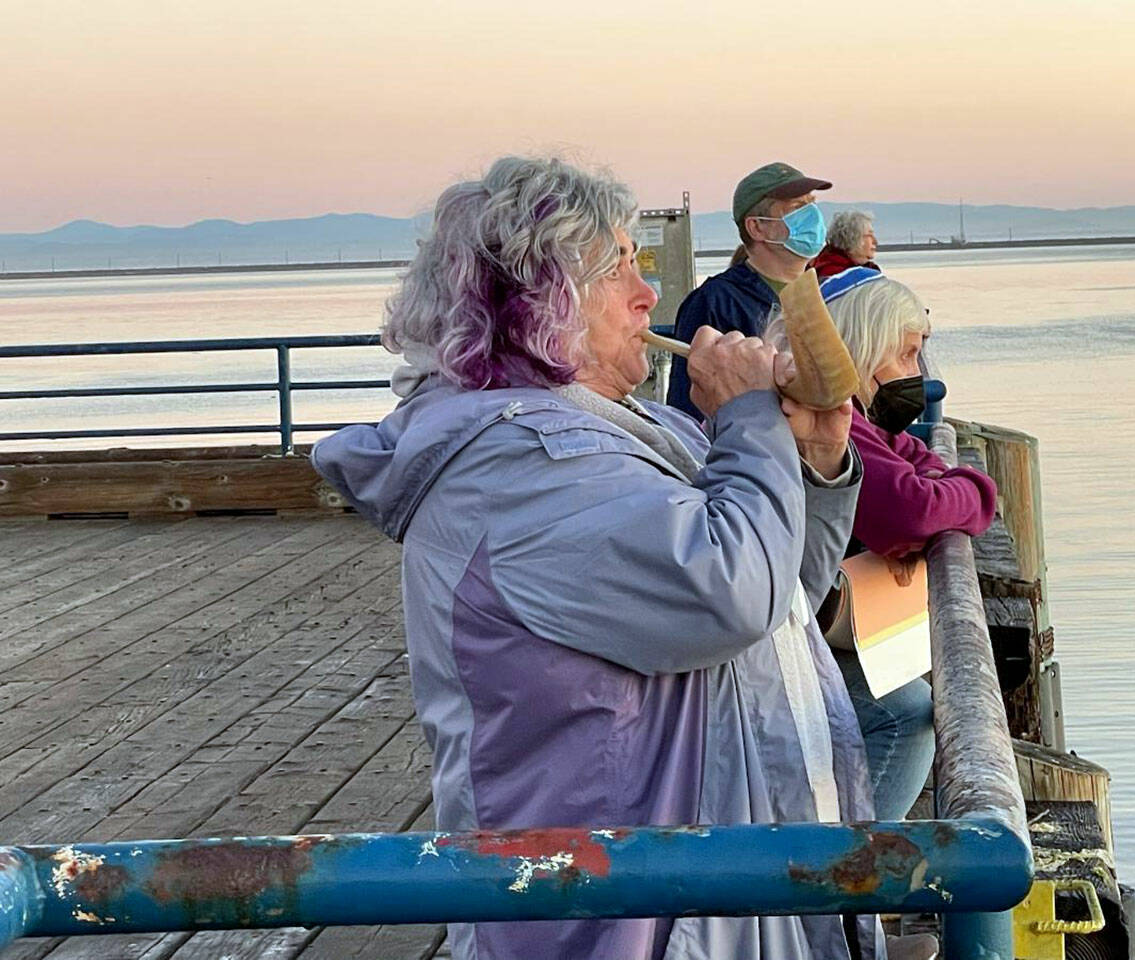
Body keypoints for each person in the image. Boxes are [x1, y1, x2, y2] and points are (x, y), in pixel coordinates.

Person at [311, 156, 887, 960]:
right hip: (621, 917)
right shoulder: (522, 467)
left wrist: (819, 466)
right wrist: (751, 417)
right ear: (538, 300)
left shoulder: (635, 432)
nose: (648, 294)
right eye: (619, 267)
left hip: (711, 885)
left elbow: (783, 599)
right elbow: (730, 594)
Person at [817, 271, 998, 823]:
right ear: (864, 348)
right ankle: (851, 880)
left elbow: (921, 467)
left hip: (813, 622)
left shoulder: (861, 421)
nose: (918, 376)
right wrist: (977, 489)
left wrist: (952, 486)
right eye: (906, 356)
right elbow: (912, 511)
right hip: (786, 638)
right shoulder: (833, 422)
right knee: (907, 713)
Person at [665, 162, 832, 417]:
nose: (813, 216)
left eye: (812, 204)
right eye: (798, 208)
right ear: (756, 227)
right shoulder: (715, 302)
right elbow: (687, 412)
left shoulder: (827, 294)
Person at [813, 210, 880, 277]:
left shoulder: (866, 269)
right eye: (869, 235)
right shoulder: (833, 274)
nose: (875, 241)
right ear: (851, 238)